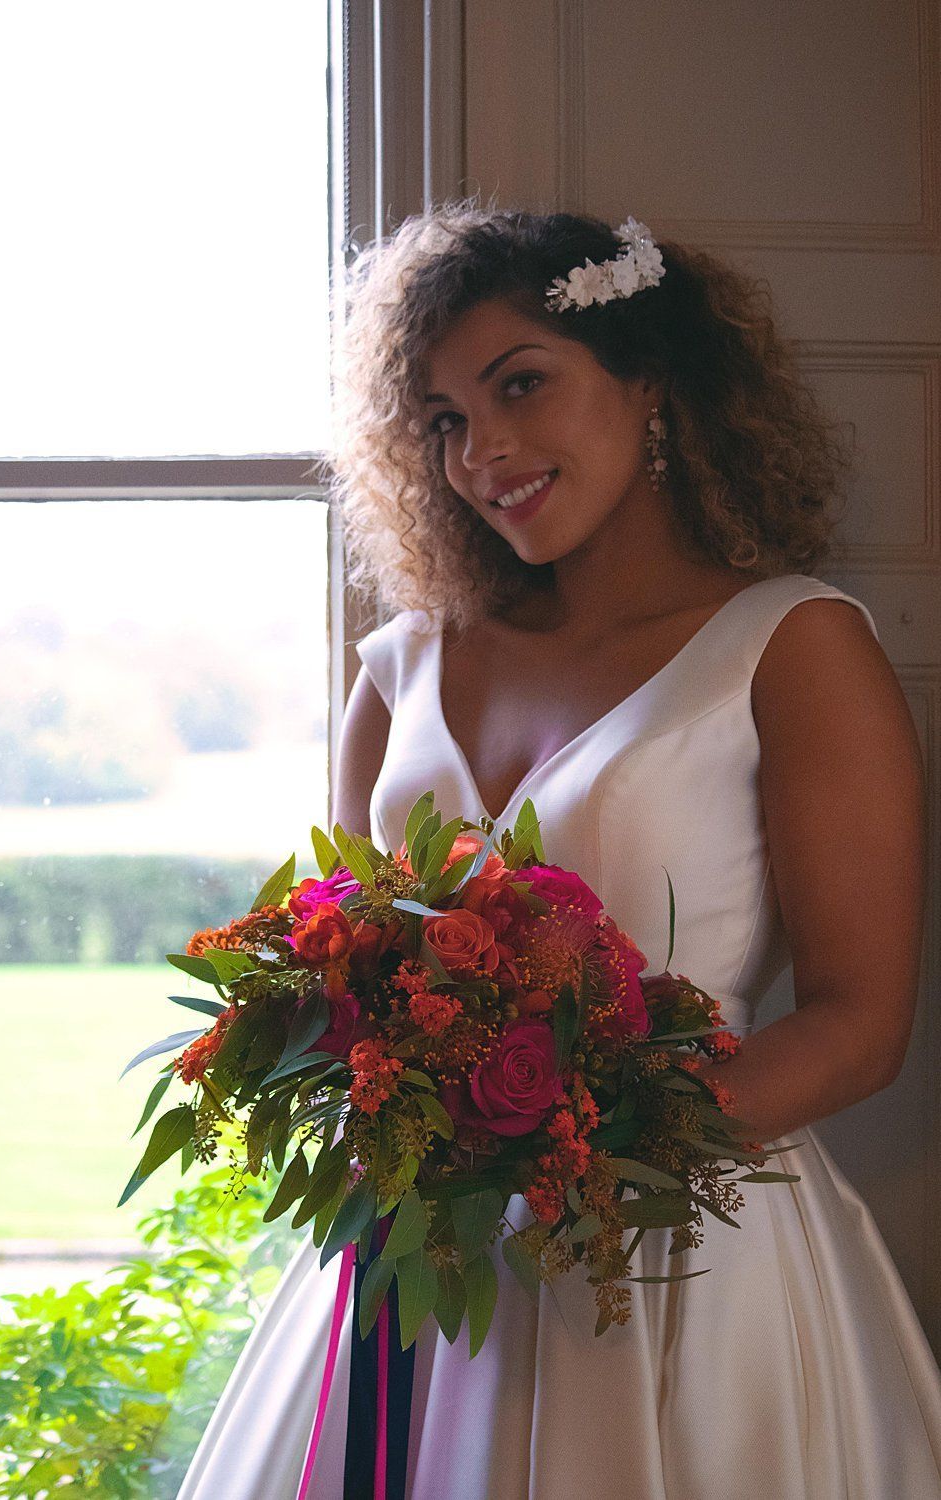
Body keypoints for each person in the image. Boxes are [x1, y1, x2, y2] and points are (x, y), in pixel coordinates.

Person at [176, 200, 941, 1498]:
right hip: (422, 1262)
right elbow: (351, 969)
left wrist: (579, 1161)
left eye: (520, 386)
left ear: (650, 383)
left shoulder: (792, 646)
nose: (486, 451)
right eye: (444, 420)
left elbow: (860, 1024)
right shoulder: (402, 666)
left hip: (680, 1267)